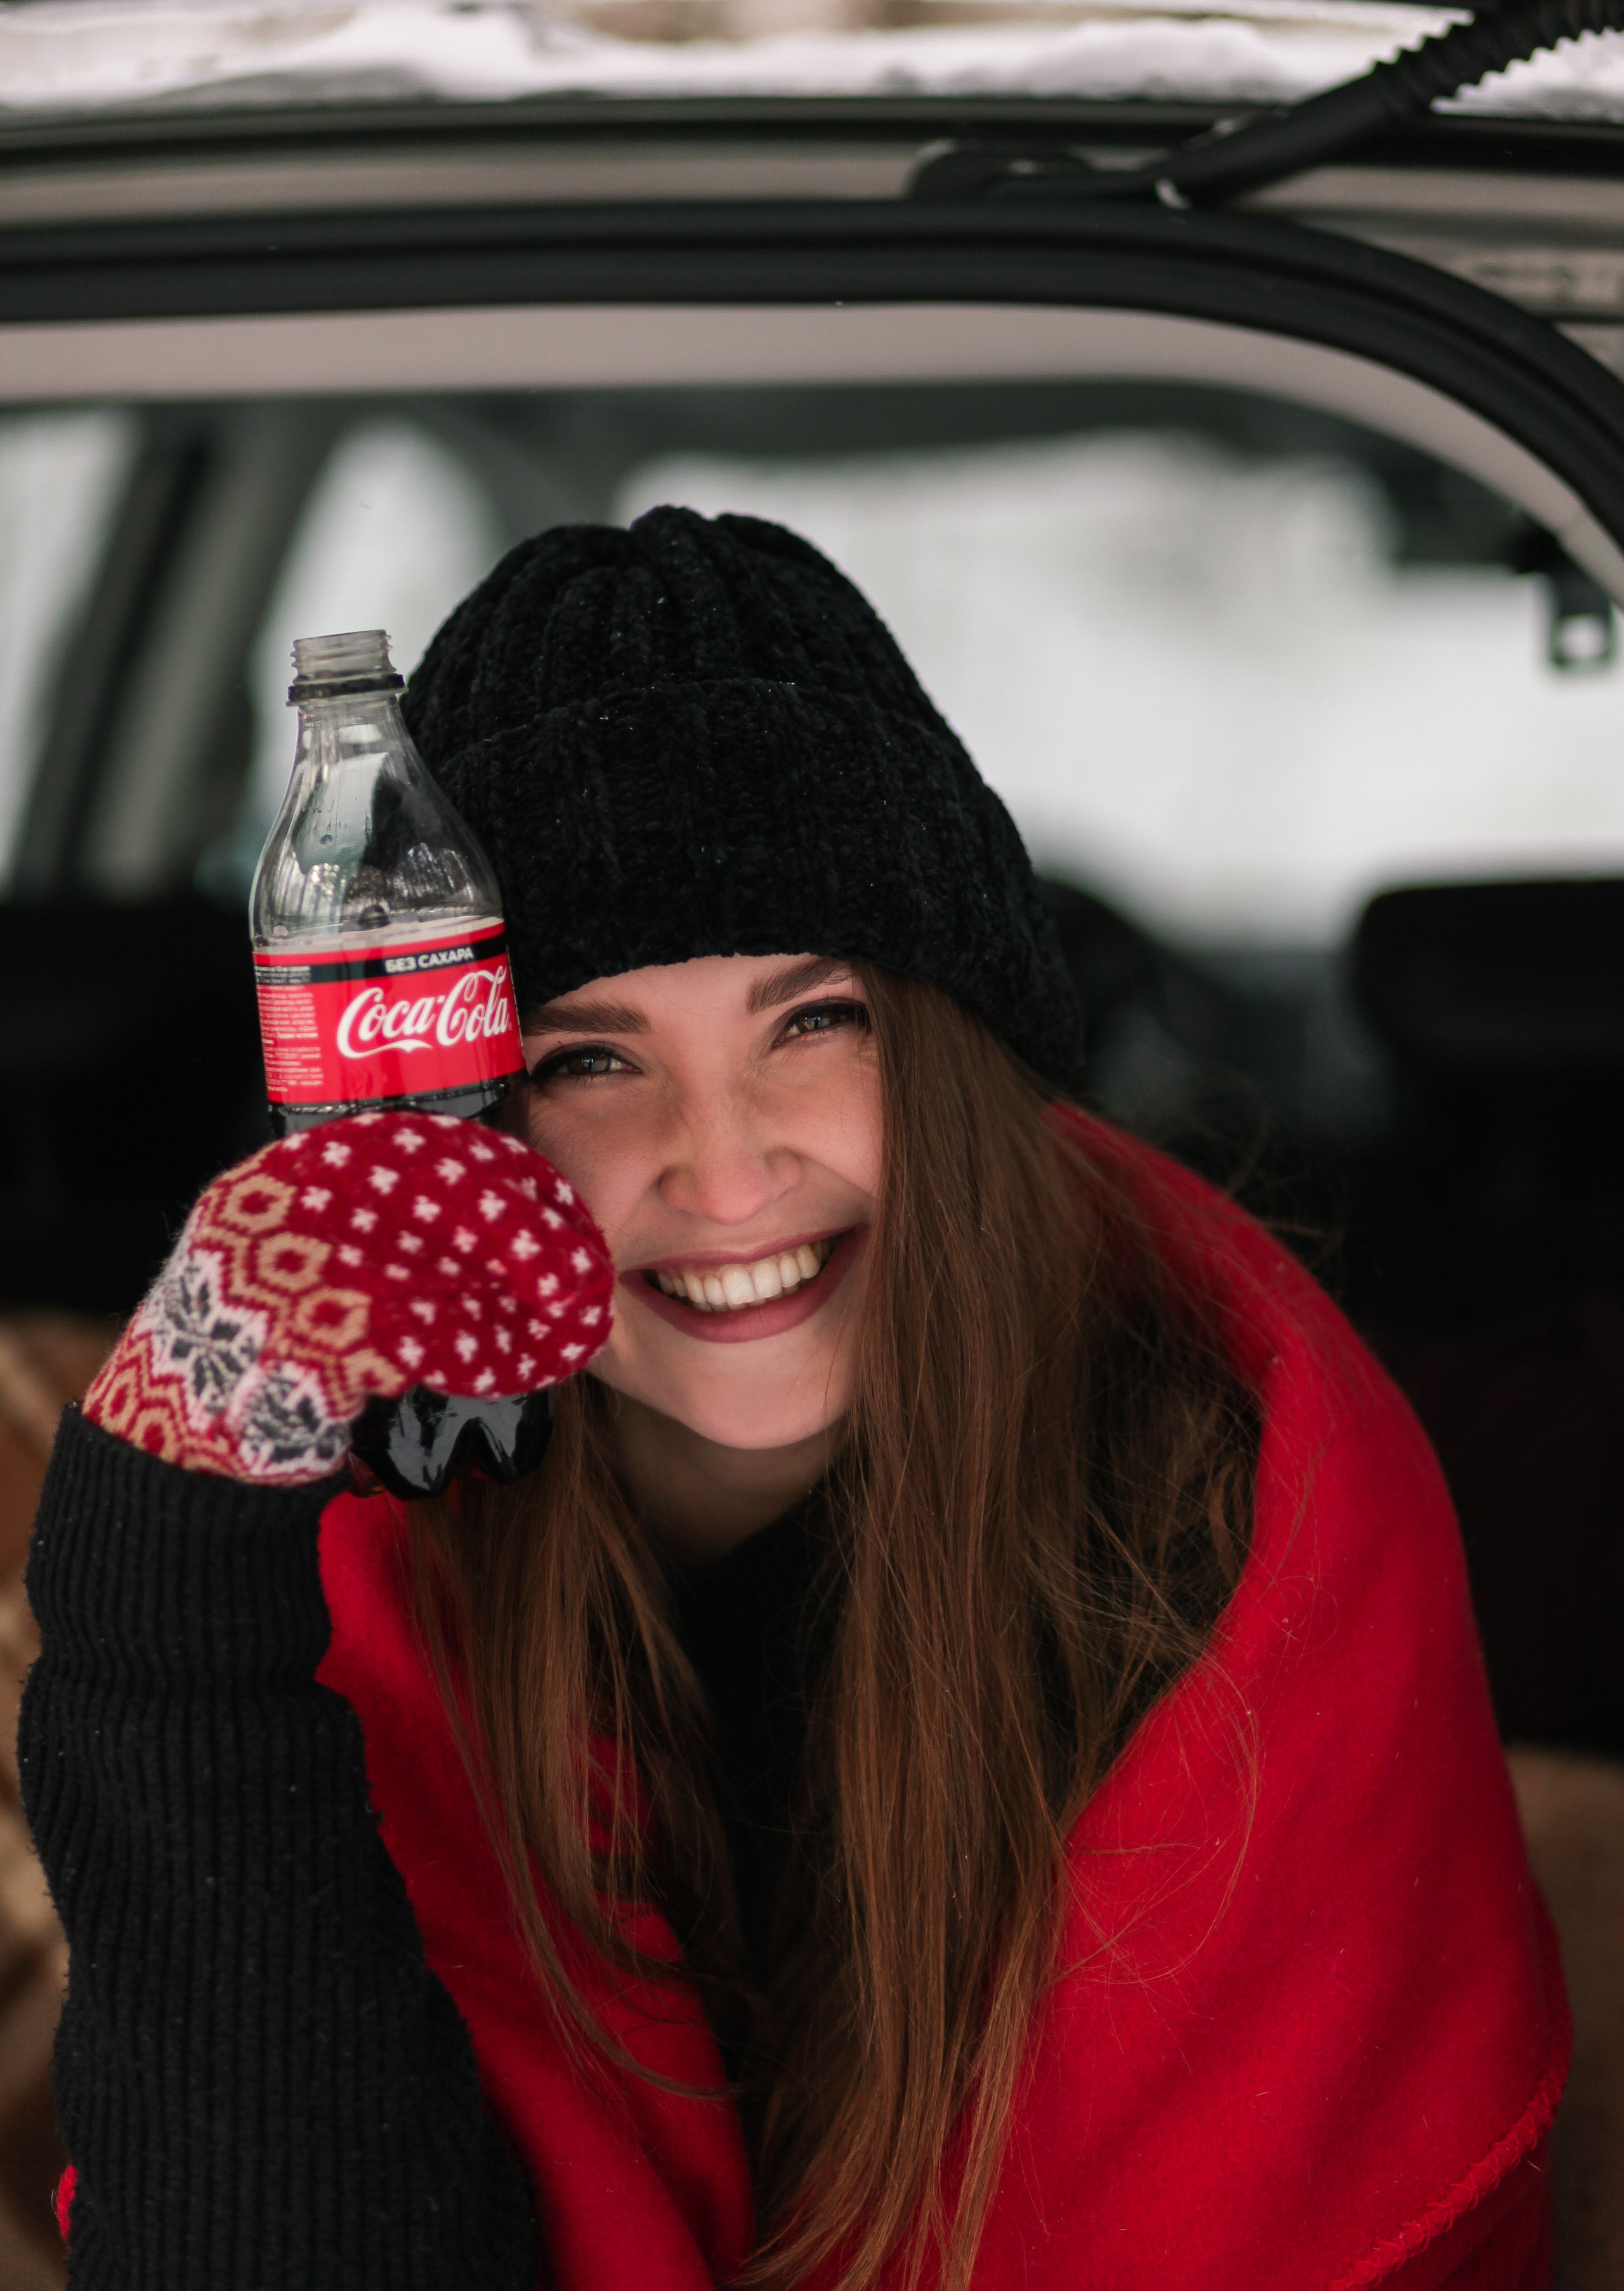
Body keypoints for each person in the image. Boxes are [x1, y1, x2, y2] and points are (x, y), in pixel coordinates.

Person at [22, 509, 1566, 2291]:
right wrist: (164, 1617)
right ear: (458, 1129)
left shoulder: (1234, 1527)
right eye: (591, 1060)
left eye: (811, 1022)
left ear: (960, 1062)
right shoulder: (377, 1556)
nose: (730, 1173)